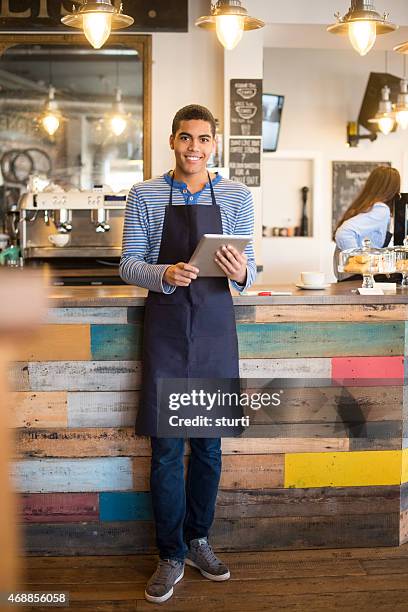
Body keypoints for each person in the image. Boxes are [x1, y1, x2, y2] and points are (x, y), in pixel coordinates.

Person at [120, 104, 256, 604]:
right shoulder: (146, 194)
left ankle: (199, 540)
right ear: (173, 142)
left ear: (214, 144)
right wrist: (163, 274)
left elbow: (252, 272)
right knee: (165, 452)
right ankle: (170, 553)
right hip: (168, 332)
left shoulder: (238, 196)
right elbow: (128, 264)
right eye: (185, 138)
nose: (193, 147)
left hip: (216, 333)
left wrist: (240, 269)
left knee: (210, 447)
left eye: (203, 138)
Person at [333, 166, 400, 280]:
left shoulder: (365, 205)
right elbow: (343, 233)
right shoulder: (381, 209)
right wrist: (359, 262)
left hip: (348, 279)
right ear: (392, 189)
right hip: (358, 278)